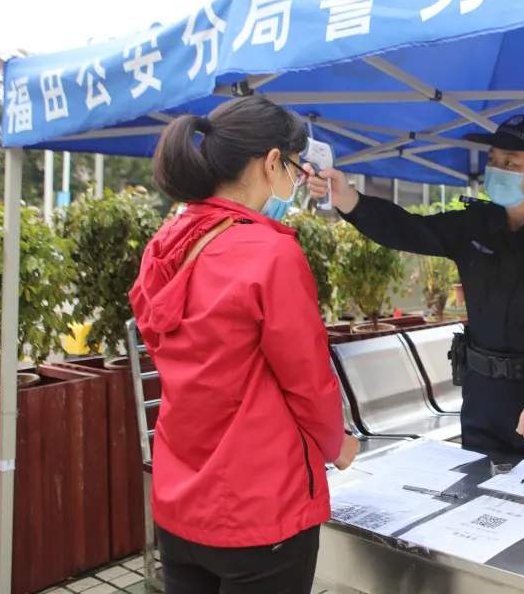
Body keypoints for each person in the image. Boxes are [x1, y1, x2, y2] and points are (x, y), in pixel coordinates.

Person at [129, 98, 360, 594]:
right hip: (260, 505)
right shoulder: (270, 252)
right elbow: (307, 377)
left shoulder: (166, 243)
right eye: (295, 169)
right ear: (272, 162)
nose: (295, 183)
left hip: (179, 497)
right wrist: (336, 443)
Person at [307, 114, 524, 468]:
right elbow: (407, 229)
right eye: (493, 160)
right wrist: (349, 199)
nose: (496, 170)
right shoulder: (474, 226)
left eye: (511, 164)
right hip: (483, 402)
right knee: (479, 497)